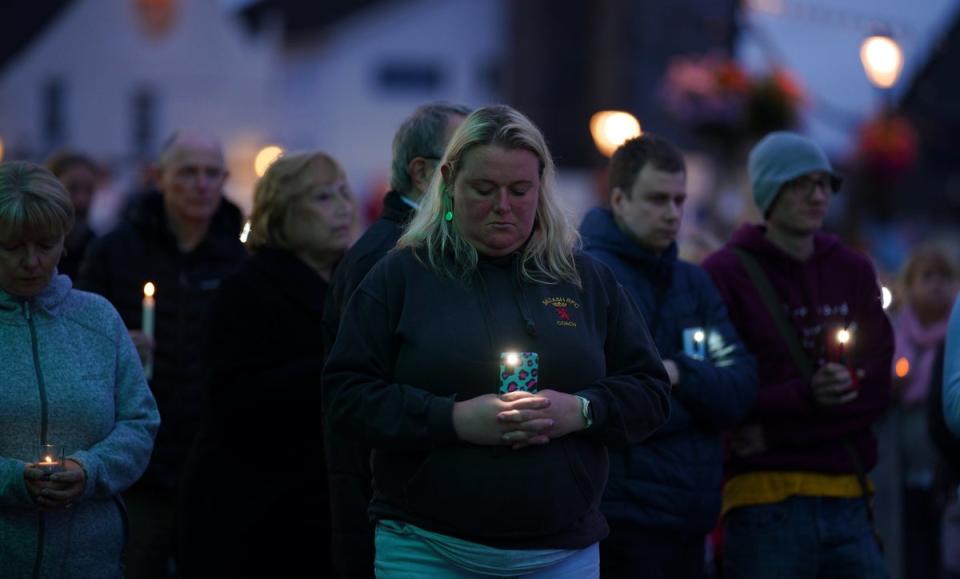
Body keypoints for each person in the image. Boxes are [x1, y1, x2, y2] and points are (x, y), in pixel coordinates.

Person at [322, 105, 671, 578]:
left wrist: (583, 411)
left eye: (520, 190)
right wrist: (454, 418)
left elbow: (650, 390)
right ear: (448, 181)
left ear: (542, 185)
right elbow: (345, 396)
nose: (503, 206)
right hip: (427, 549)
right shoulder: (401, 277)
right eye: (484, 190)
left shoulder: (585, 281)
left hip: (561, 553)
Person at [702, 131, 894, 578]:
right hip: (764, 503)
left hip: (848, 495)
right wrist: (807, 397)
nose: (817, 195)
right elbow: (724, 394)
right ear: (769, 191)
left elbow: (879, 391)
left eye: (824, 183)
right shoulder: (725, 274)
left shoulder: (853, 269)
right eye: (800, 183)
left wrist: (775, 433)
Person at [579, 133, 756, 578]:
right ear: (618, 199)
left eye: (679, 200)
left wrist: (677, 372)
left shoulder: (693, 283)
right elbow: (609, 404)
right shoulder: (587, 279)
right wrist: (688, 402)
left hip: (690, 520)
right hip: (622, 522)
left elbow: (739, 387)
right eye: (658, 199)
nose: (673, 213)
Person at [76, 129, 247, 578]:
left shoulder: (240, 257)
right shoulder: (117, 250)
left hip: (216, 463)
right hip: (139, 468)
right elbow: (77, 340)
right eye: (188, 172)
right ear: (160, 177)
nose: (201, 184)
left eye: (212, 173)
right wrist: (112, 347)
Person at [178, 151, 354, 577]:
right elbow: (231, 400)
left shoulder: (354, 286)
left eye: (344, 193)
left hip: (320, 511)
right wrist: (336, 371)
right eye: (322, 198)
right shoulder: (245, 290)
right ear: (283, 213)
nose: (343, 207)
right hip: (253, 516)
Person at [323, 101, 469, 577]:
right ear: (423, 172)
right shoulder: (388, 258)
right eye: (466, 159)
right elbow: (360, 395)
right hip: (389, 511)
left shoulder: (432, 245)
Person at [0, 161, 160, 578]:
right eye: (13, 247)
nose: (33, 261)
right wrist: (11, 480)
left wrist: (91, 470)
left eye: (46, 244)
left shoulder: (97, 320)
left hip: (90, 558)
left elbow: (140, 421)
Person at [889, 245, 958, 579]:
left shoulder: (955, 339)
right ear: (909, 284)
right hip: (902, 470)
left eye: (944, 277)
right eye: (927, 276)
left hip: (945, 470)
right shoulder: (896, 335)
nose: (936, 285)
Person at [45, 149, 99, 280]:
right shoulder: (32, 249)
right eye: (72, 189)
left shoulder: (98, 249)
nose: (82, 200)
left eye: (89, 190)